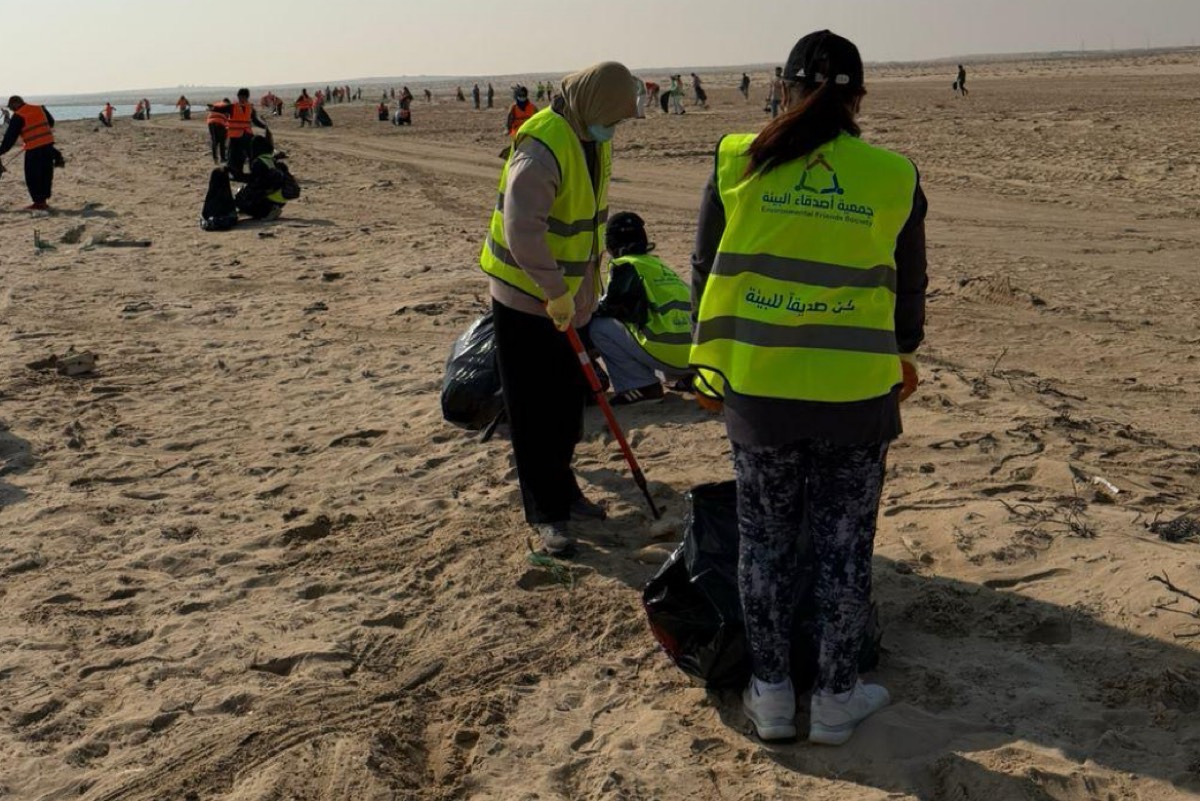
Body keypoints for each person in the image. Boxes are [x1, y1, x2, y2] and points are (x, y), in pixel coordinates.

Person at [689, 30, 927, 745]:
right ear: (859, 98)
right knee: (843, 550)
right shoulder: (892, 176)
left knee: (763, 545)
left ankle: (770, 697)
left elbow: (705, 271)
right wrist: (898, 349)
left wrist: (715, 366)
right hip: (855, 397)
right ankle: (834, 699)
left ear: (783, 88)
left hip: (759, 392)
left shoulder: (738, 160)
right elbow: (909, 298)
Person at [479, 62, 638, 557]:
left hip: (571, 297)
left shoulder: (592, 136)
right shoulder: (542, 145)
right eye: (613, 117)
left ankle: (565, 491)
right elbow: (521, 229)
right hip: (527, 298)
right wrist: (553, 290)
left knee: (568, 405)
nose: (615, 127)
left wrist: (578, 294)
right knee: (534, 412)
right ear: (593, 103)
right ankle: (547, 514)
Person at [591, 212, 693, 405]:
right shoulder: (657, 264)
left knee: (599, 326)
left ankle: (641, 386)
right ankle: (684, 378)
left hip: (667, 353)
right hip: (693, 356)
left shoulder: (625, 266)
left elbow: (614, 306)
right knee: (654, 322)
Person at [0, 96, 60, 210]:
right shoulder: (39, 108)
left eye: (11, 107)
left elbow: (10, 138)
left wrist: (1, 151)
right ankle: (43, 201)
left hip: (34, 149)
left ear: (16, 103)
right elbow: (51, 123)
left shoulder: (18, 115)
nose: (12, 110)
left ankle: (39, 203)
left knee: (33, 176)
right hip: (48, 146)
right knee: (46, 174)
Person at [231, 135, 289, 220]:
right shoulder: (271, 159)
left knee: (241, 199)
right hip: (281, 199)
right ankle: (269, 209)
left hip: (270, 198)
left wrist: (239, 177)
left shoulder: (259, 162)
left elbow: (256, 181)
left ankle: (266, 212)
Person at [227, 88, 270, 177]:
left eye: (243, 97)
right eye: (240, 97)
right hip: (235, 136)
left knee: (251, 154)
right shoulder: (232, 107)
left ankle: (253, 171)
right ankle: (236, 172)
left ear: (247, 97)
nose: (241, 99)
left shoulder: (250, 108)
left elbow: (255, 120)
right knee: (234, 155)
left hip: (247, 135)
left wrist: (264, 126)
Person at [206, 98, 232, 164]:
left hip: (210, 122)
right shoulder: (227, 106)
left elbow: (209, 107)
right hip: (219, 123)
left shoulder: (217, 104)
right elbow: (228, 117)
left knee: (214, 141)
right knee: (222, 141)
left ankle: (215, 158)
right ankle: (222, 158)